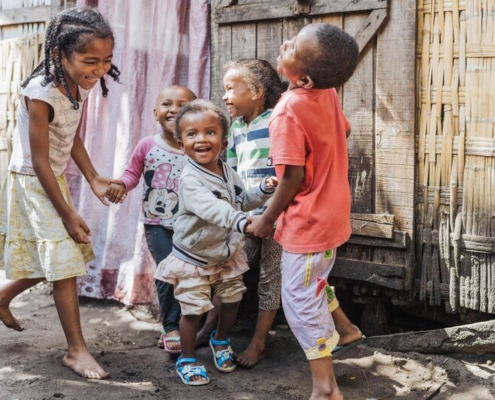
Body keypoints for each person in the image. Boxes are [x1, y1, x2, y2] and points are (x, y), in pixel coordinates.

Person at [197, 58, 363, 368]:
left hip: (280, 218)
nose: (224, 96)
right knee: (228, 269)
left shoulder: (278, 118)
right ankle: (210, 328)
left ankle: (259, 342)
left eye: (231, 89)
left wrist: (271, 212)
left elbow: (294, 168)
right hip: (247, 218)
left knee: (272, 280)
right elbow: (231, 174)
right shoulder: (236, 128)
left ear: (257, 91)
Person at [0, 7, 121, 380]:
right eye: (90, 61)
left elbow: (71, 135)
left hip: (51, 180)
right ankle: (75, 351)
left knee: (56, 259)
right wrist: (68, 214)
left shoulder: (78, 84)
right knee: (63, 260)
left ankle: (2, 296)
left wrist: (93, 177)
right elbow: (39, 160)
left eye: (106, 61)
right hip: (33, 182)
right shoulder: (40, 92)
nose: (99, 69)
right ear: (59, 54)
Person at [247, 23, 360, 399]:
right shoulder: (326, 93)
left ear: (305, 78)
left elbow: (292, 177)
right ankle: (345, 329)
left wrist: (266, 219)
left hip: (308, 223)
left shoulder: (286, 111)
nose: (285, 44)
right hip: (332, 212)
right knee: (314, 283)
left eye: (293, 47)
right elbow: (342, 131)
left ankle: (326, 387)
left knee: (299, 300)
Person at [154, 99, 277, 386]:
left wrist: (262, 190)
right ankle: (187, 358)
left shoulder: (227, 171)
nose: (201, 139)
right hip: (193, 258)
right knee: (193, 310)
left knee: (232, 300)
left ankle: (220, 340)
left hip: (225, 256)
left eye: (210, 132)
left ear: (223, 141)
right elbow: (213, 209)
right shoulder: (190, 179)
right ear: (181, 143)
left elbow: (240, 200)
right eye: (192, 134)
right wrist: (243, 223)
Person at [106, 85, 196, 354]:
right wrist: (121, 185)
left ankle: (188, 325)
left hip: (194, 226)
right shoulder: (148, 145)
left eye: (183, 105)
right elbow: (132, 174)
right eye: (167, 104)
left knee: (192, 276)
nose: (174, 109)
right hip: (158, 225)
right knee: (168, 272)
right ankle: (170, 327)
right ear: (156, 113)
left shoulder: (198, 146)